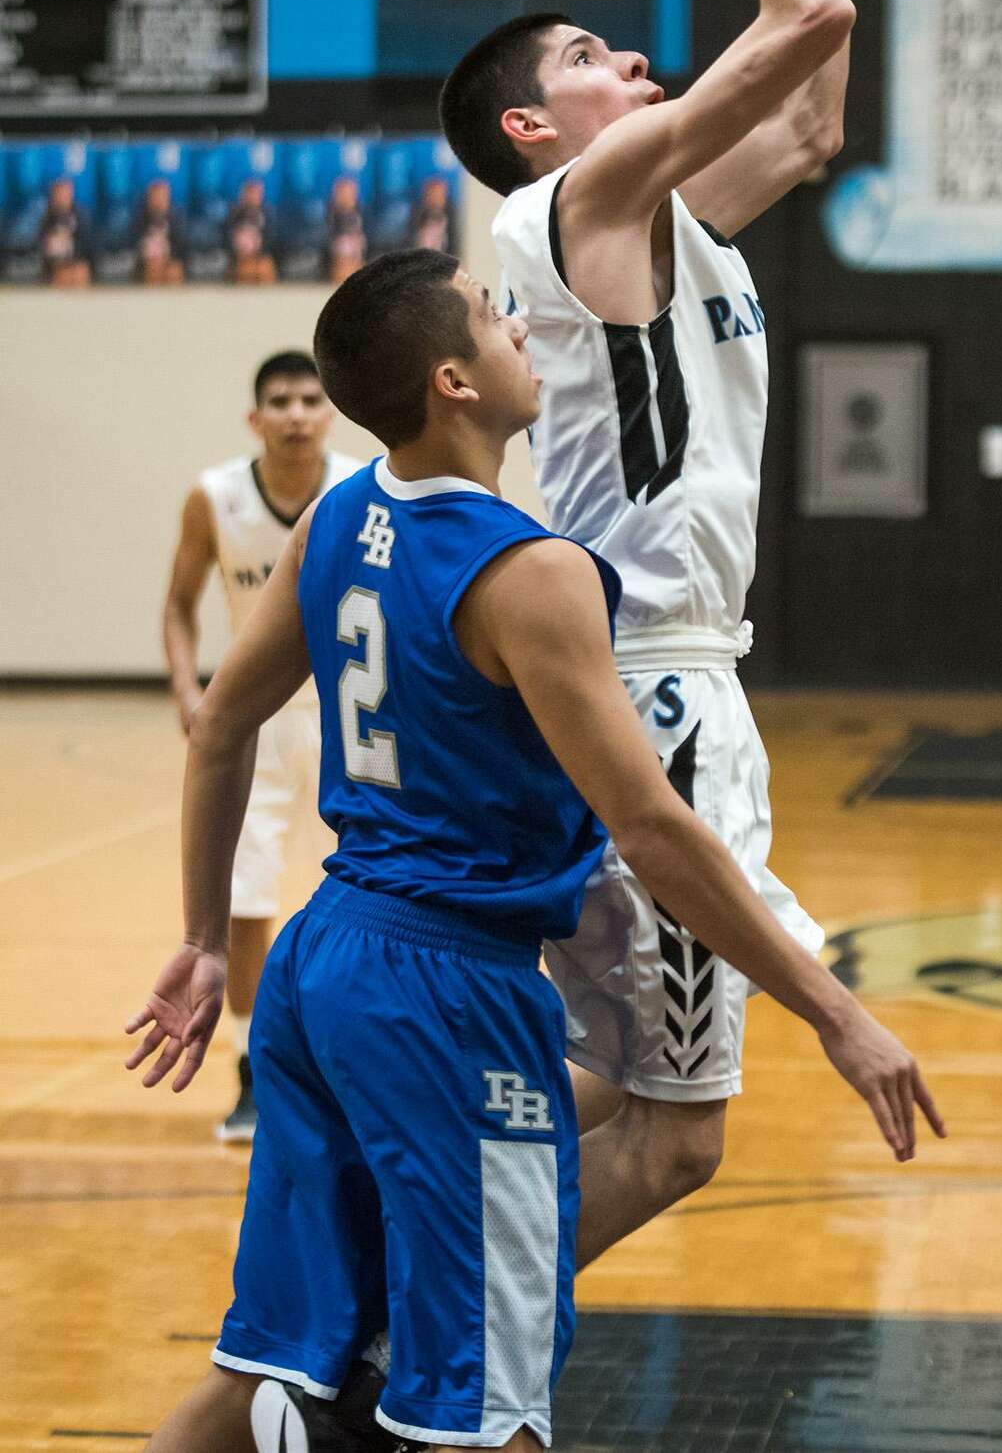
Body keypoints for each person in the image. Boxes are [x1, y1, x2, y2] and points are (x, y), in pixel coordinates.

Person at [125, 248, 942, 1453]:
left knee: (275, 1363)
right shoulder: (532, 572)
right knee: (489, 1408)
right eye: (495, 315)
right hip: (451, 990)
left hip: (322, 961)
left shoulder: (338, 515)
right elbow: (656, 827)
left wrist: (203, 940)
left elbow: (225, 722)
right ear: (453, 380)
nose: (520, 325)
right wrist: (833, 1010)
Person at [437, 0, 857, 1266]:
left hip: (681, 681)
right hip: (655, 689)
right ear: (532, 132)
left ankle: (398, 1271)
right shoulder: (573, 202)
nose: (627, 57)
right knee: (679, 1137)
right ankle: (417, 1363)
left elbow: (812, 115)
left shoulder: (663, 219)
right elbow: (803, 21)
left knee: (624, 1090)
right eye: (585, 59)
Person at [162, 350, 361, 1141]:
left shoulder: (359, 487)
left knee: (356, 894)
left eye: (310, 398)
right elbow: (178, 605)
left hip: (348, 714)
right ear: (255, 418)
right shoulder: (214, 497)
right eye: (278, 401)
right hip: (258, 722)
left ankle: (343, 1062)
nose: (295, 413)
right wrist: (188, 692)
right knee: (242, 904)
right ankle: (252, 1066)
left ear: (330, 412)